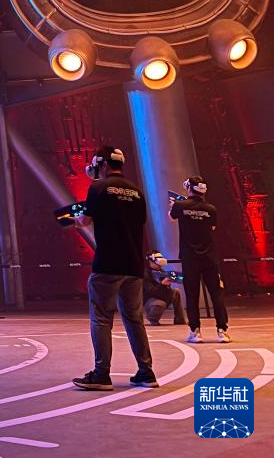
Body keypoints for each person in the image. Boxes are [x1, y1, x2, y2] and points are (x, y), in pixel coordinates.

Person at [72, 145, 159, 391]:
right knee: (134, 319)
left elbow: (84, 221)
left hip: (107, 263)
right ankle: (146, 372)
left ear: (102, 164)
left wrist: (75, 219)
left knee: (101, 319)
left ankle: (101, 374)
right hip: (133, 265)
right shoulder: (137, 191)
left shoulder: (98, 188)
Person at [170, 176, 230, 343]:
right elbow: (212, 227)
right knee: (216, 294)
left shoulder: (180, 205)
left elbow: (171, 217)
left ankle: (195, 331)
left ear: (189, 188)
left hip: (190, 258)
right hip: (209, 257)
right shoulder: (211, 209)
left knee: (192, 294)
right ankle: (222, 331)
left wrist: (175, 207)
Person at [143, 252, 187, 326]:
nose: (160, 265)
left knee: (176, 292)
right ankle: (152, 318)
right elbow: (151, 292)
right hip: (150, 300)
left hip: (162, 296)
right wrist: (162, 284)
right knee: (160, 304)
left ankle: (180, 319)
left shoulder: (162, 272)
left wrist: (169, 284)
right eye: (158, 263)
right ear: (150, 261)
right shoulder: (146, 274)